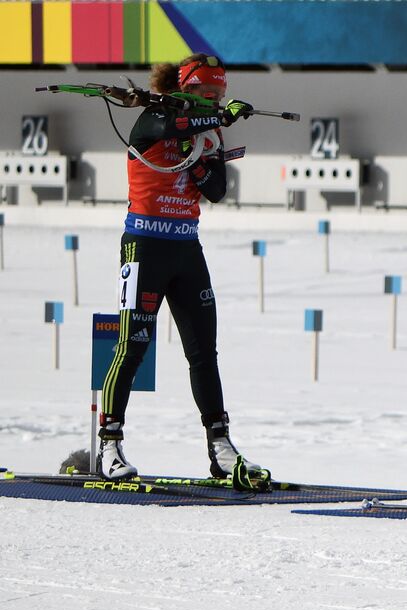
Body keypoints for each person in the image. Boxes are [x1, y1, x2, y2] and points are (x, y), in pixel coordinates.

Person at [97, 53, 268, 490]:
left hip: (186, 248)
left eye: (219, 96)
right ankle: (109, 445)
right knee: (131, 346)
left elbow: (217, 192)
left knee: (203, 352)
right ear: (185, 90)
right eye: (206, 94)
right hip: (144, 246)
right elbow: (169, 128)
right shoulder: (153, 116)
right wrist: (218, 121)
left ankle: (220, 446)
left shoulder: (205, 130)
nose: (213, 102)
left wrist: (205, 158)